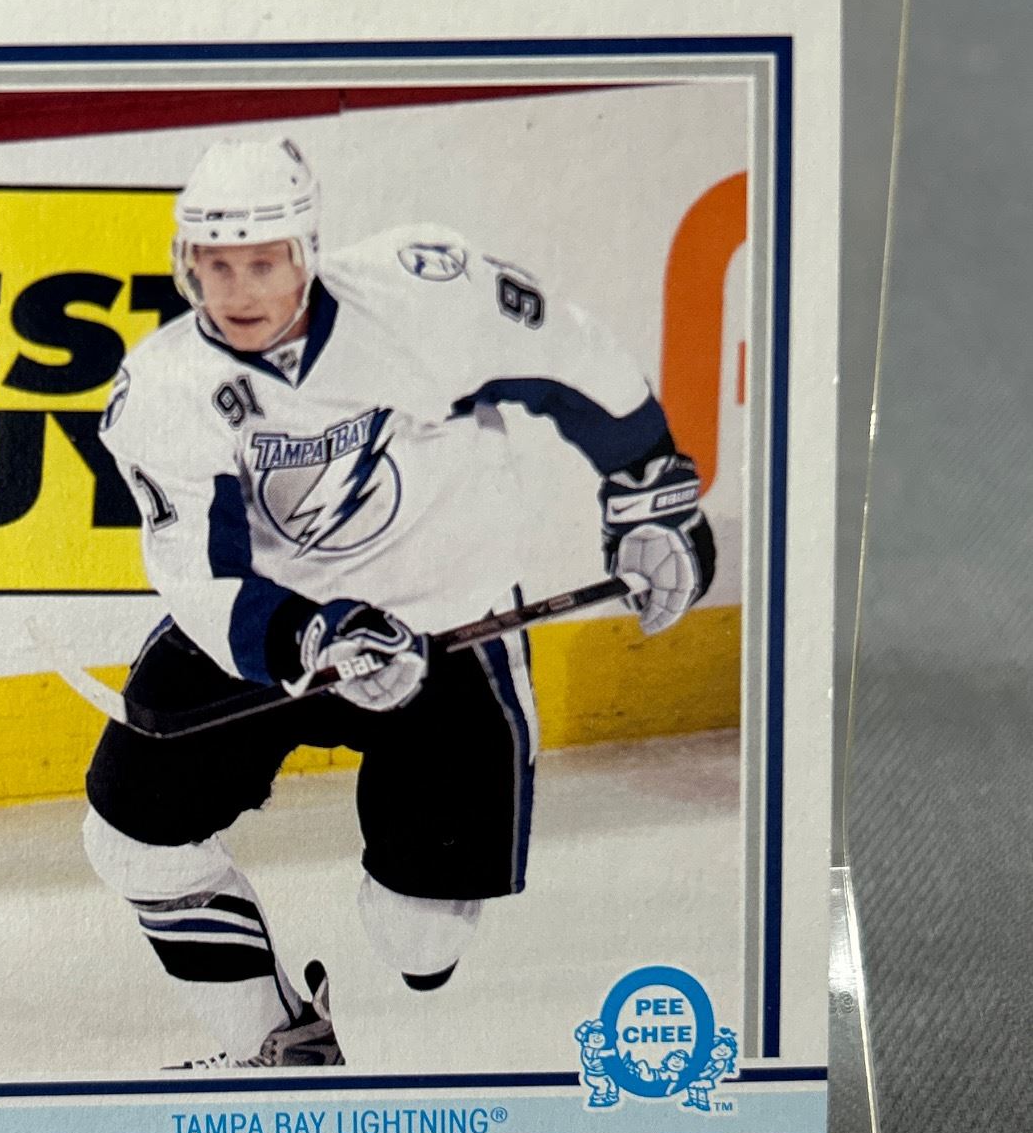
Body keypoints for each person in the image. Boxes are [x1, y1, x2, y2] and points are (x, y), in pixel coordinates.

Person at [83, 137, 714, 1067]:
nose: (239, 291)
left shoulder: (423, 295)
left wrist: (649, 494)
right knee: (131, 839)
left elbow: (570, 357)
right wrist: (312, 636)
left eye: (262, 263)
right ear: (187, 264)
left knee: (420, 944)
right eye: (217, 265)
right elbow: (201, 571)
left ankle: (390, 1020)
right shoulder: (163, 390)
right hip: (276, 631)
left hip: (450, 626)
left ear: (306, 252)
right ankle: (280, 1047)